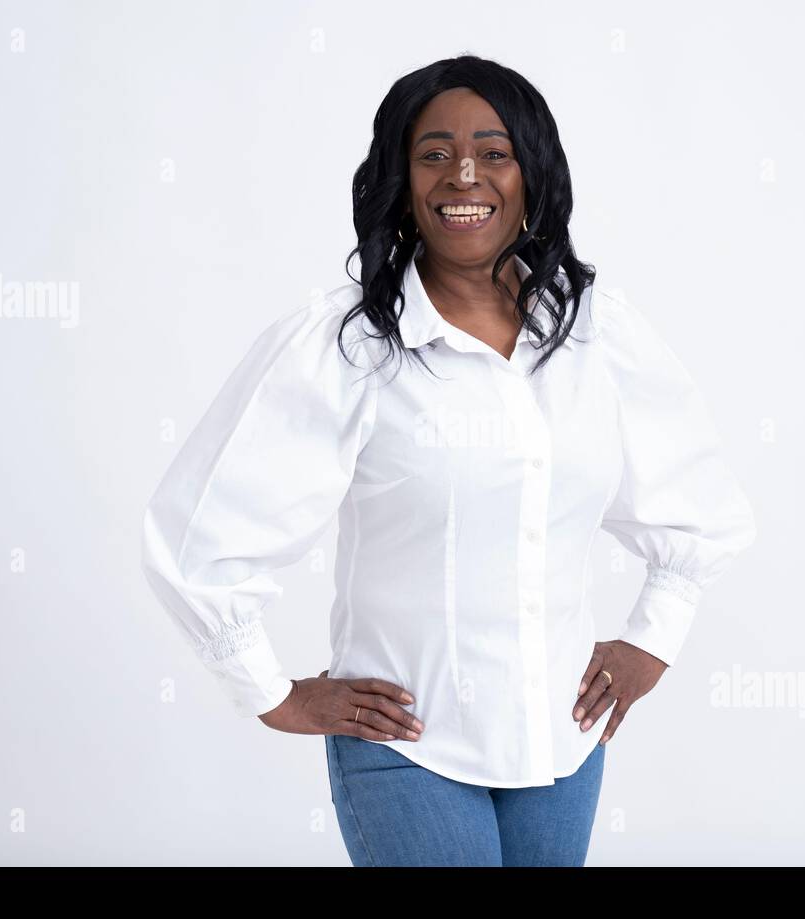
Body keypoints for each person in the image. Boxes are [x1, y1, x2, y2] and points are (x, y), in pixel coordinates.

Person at [140, 54, 757, 866]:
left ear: (533, 175)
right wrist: (270, 692)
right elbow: (201, 533)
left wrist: (652, 638)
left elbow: (692, 499)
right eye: (434, 153)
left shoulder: (601, 336)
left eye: (494, 152)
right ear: (401, 179)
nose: (464, 174)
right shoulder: (344, 348)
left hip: (561, 747)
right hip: (409, 746)